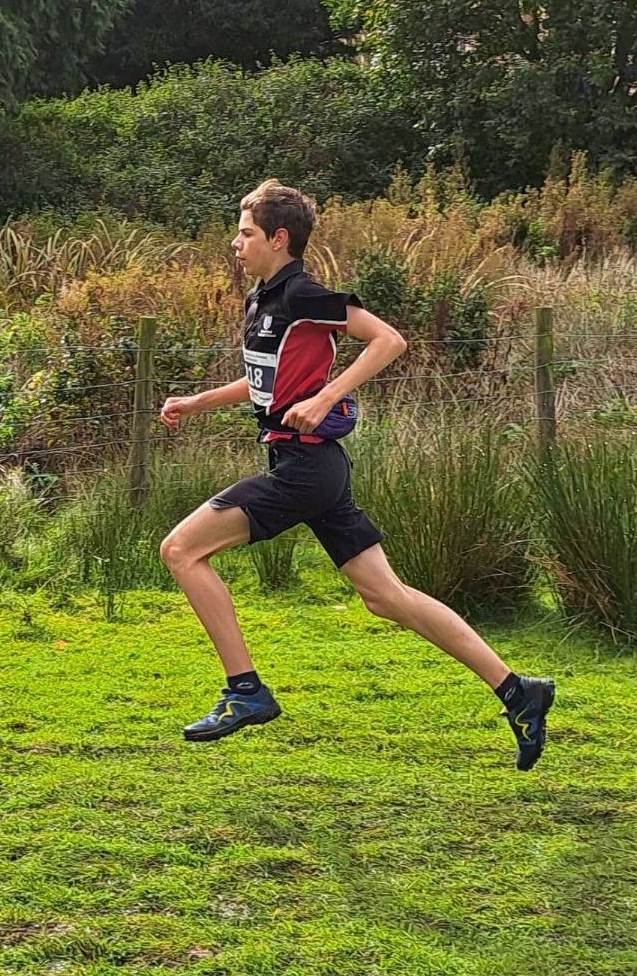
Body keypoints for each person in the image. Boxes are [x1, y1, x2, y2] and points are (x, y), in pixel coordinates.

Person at [158, 179, 554, 770]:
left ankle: (246, 692)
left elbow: (388, 341)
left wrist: (325, 399)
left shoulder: (303, 294)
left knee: (181, 551)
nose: (234, 243)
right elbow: (266, 384)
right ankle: (517, 690)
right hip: (313, 468)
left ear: (278, 238)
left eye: (244, 233)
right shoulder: (262, 301)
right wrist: (198, 401)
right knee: (384, 596)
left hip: (305, 467)